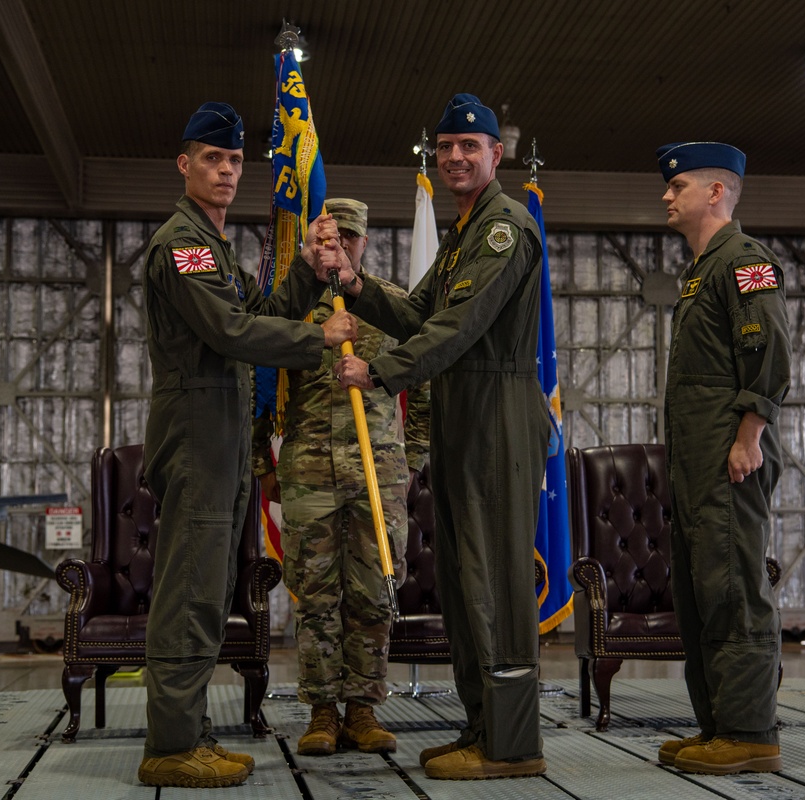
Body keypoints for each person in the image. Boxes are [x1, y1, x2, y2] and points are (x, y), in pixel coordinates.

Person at [137, 101, 358, 789]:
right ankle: (171, 746)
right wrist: (314, 338)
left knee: (208, 590)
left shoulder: (216, 244)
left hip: (224, 434)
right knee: (189, 592)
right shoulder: (184, 241)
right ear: (186, 164)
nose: (228, 170)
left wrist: (308, 275)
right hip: (198, 433)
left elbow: (252, 314)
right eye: (213, 158)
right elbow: (230, 332)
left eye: (235, 160)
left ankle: (191, 730)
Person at [333, 94, 550, 780]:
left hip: (499, 417)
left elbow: (455, 328)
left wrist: (379, 372)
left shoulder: (502, 229)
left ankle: (513, 743)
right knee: (465, 584)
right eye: (446, 146)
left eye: (470, 146)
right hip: (465, 416)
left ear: (497, 153)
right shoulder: (463, 232)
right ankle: (483, 727)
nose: (455, 157)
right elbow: (417, 310)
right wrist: (353, 284)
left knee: (499, 585)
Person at [252, 198, 430, 756]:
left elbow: (424, 385)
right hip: (307, 477)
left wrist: (412, 461)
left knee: (374, 593)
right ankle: (322, 712)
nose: (339, 248)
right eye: (329, 240)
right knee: (316, 597)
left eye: (348, 238)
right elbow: (256, 387)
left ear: (365, 243)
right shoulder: (291, 311)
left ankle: (364, 709)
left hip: (378, 477)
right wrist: (265, 468)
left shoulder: (391, 306)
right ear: (315, 244)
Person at [655, 141, 791, 775]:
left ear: (716, 192)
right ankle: (717, 724)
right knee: (699, 588)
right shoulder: (702, 268)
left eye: (677, 184)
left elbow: (768, 357)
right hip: (698, 457)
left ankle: (749, 730)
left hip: (727, 455)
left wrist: (748, 438)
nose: (666, 195)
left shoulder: (744, 261)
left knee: (734, 586)